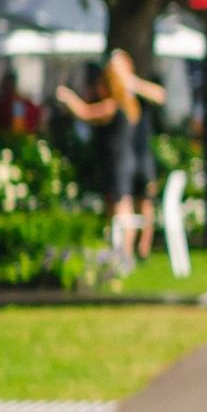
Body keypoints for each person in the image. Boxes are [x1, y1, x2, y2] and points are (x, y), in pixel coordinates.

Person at [55, 48, 166, 267]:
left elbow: (86, 113)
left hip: (122, 162)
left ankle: (127, 254)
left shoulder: (120, 103)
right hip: (131, 159)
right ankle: (134, 252)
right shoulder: (128, 104)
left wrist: (67, 97)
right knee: (134, 207)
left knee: (124, 209)